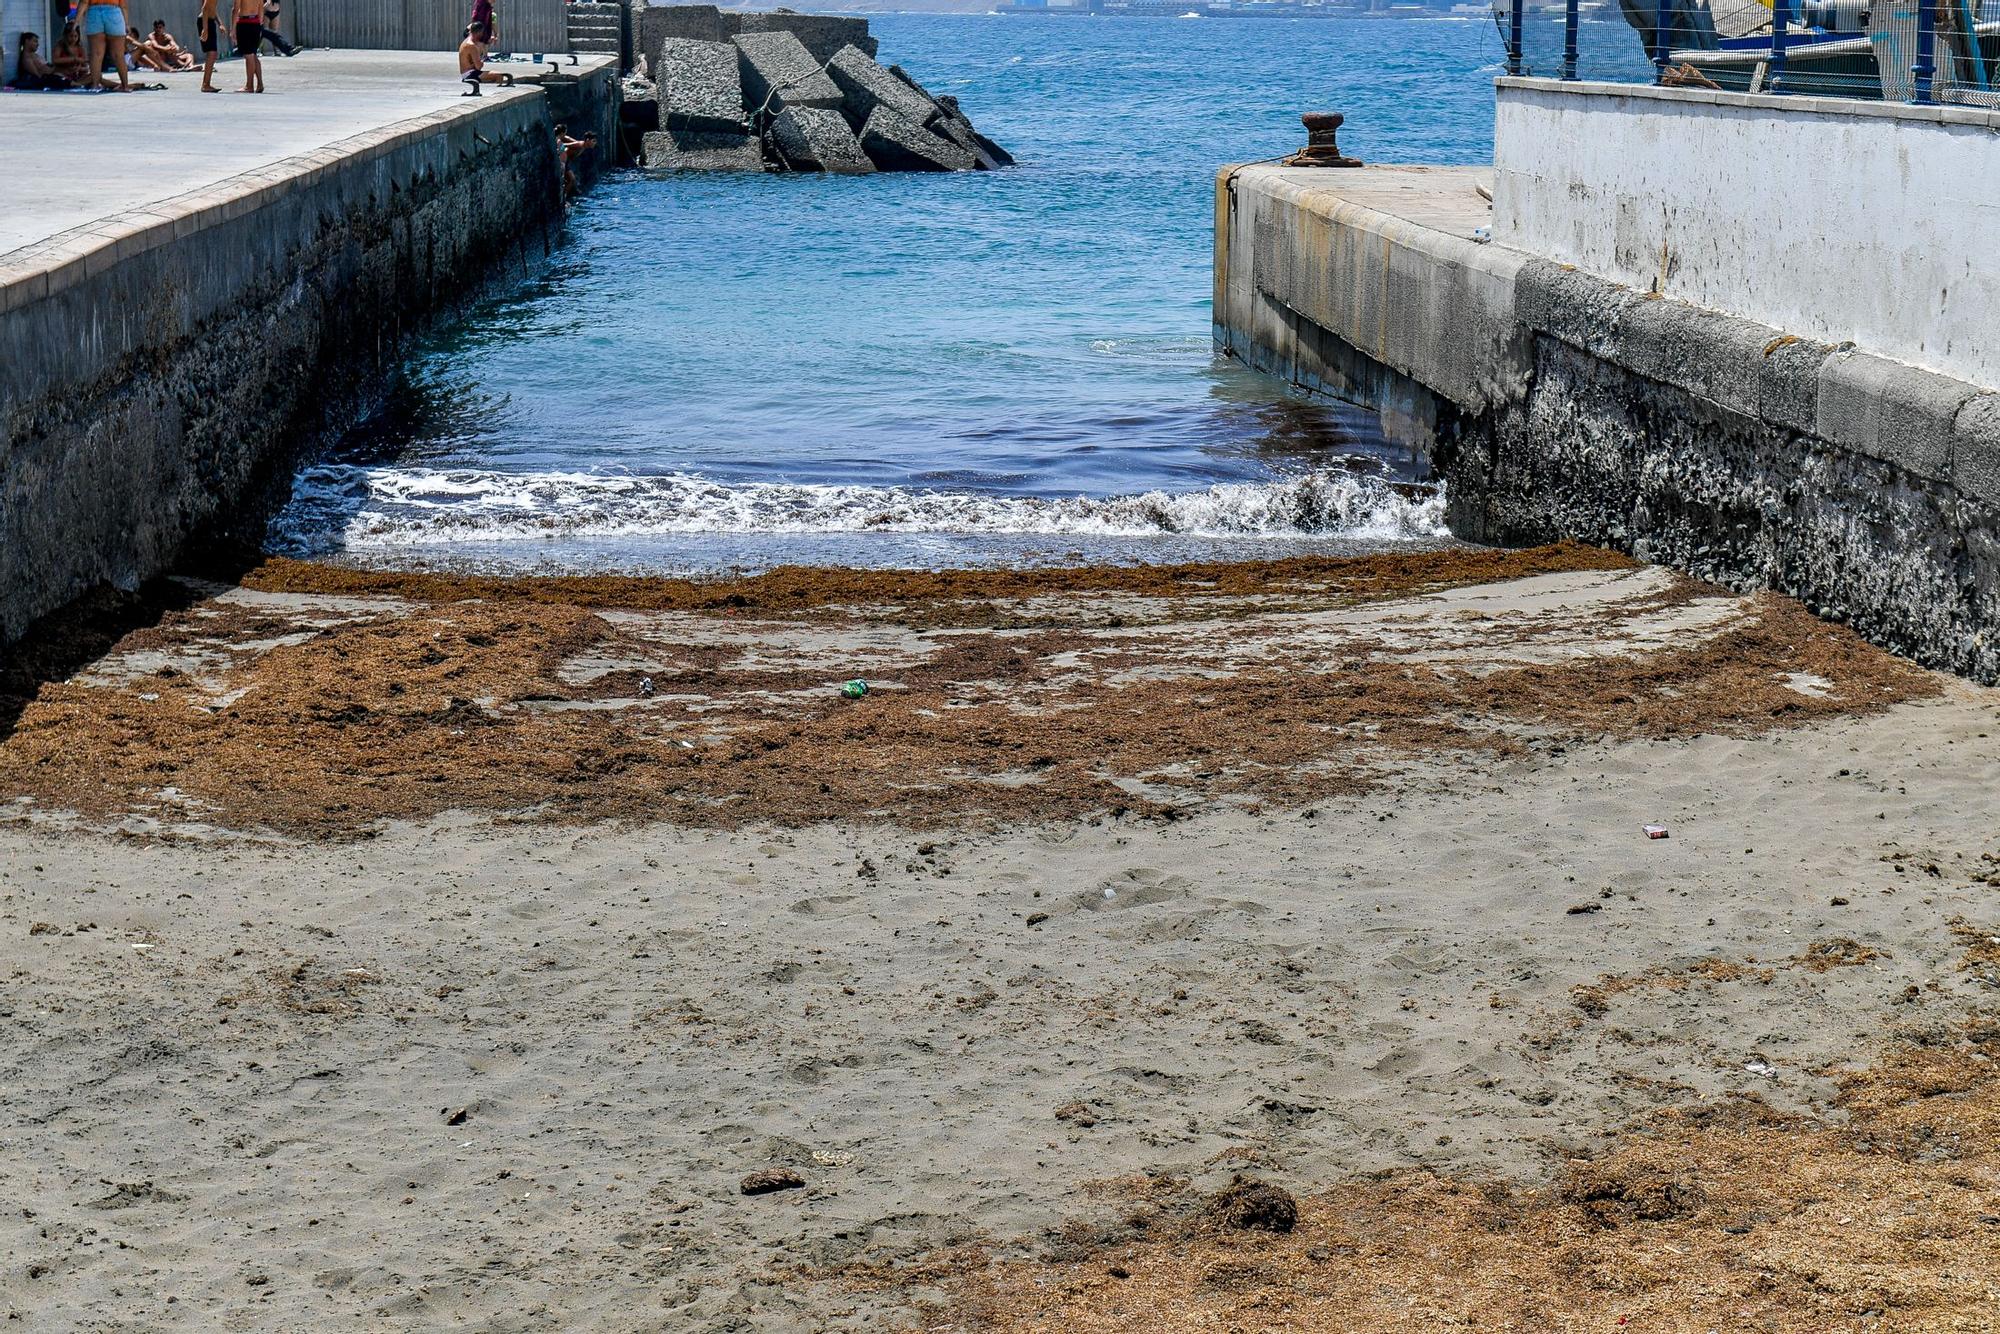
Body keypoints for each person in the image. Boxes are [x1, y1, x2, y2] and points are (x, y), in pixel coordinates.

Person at [75, 0, 131, 91]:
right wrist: (127, 24)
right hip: (113, 11)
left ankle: (95, 85)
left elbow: (84, 2)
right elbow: (123, 5)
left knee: (96, 54)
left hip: (94, 12)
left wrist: (76, 22)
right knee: (118, 55)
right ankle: (125, 86)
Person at [457, 22, 510, 95]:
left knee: (495, 75)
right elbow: (478, 66)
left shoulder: (468, 40)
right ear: (479, 33)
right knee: (498, 75)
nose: (482, 35)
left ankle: (493, 90)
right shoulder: (471, 46)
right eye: (482, 33)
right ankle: (497, 95)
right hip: (470, 74)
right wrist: (483, 56)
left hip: (469, 72)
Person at [8, 31, 76, 88]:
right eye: (35, 41)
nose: (37, 44)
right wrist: (54, 72)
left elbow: (48, 65)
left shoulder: (35, 55)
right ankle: (78, 84)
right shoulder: (26, 58)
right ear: (27, 41)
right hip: (47, 78)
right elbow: (38, 76)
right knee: (59, 78)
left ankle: (78, 82)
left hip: (53, 72)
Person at [231, 0, 262, 91]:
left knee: (249, 55)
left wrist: (233, 29)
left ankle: (249, 85)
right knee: (253, 54)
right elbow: (261, 7)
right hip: (256, 22)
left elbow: (235, 9)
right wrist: (260, 25)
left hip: (244, 22)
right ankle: (260, 83)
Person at [195, 0, 220, 90]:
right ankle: (205, 84)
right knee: (211, 53)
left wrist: (219, 23)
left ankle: (206, 84)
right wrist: (205, 29)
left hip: (209, 21)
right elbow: (205, 8)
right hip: (206, 21)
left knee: (212, 53)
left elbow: (211, 8)